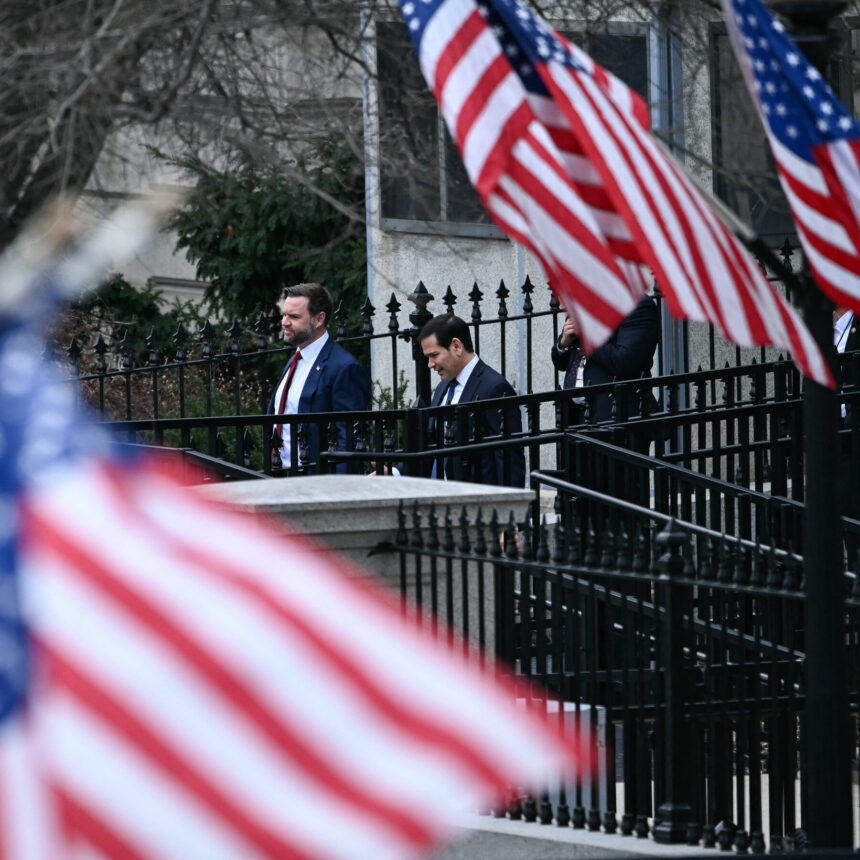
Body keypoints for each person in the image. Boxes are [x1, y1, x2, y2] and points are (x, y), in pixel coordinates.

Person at [268, 282, 369, 473]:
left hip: (315, 480)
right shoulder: (294, 361)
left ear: (319, 319)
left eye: (294, 316)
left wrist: (338, 489)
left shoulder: (344, 367)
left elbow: (347, 441)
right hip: (279, 476)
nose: (284, 322)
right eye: (284, 315)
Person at [419, 313, 525, 487]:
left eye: (434, 355)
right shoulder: (442, 388)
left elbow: (508, 461)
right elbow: (430, 448)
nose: (430, 364)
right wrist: (394, 472)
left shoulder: (494, 388)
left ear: (456, 347)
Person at [551, 293, 660, 423]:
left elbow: (624, 362)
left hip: (617, 417)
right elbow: (561, 363)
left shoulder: (637, 305)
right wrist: (563, 343)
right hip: (575, 418)